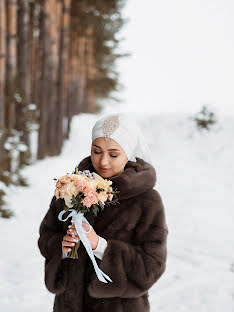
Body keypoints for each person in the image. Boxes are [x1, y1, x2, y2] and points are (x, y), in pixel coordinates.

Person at [38, 113, 169, 312]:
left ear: (129, 153)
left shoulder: (147, 201)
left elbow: (151, 266)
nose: (103, 161)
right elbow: (46, 235)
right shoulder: (72, 187)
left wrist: (100, 246)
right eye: (96, 151)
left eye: (114, 154)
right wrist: (63, 248)